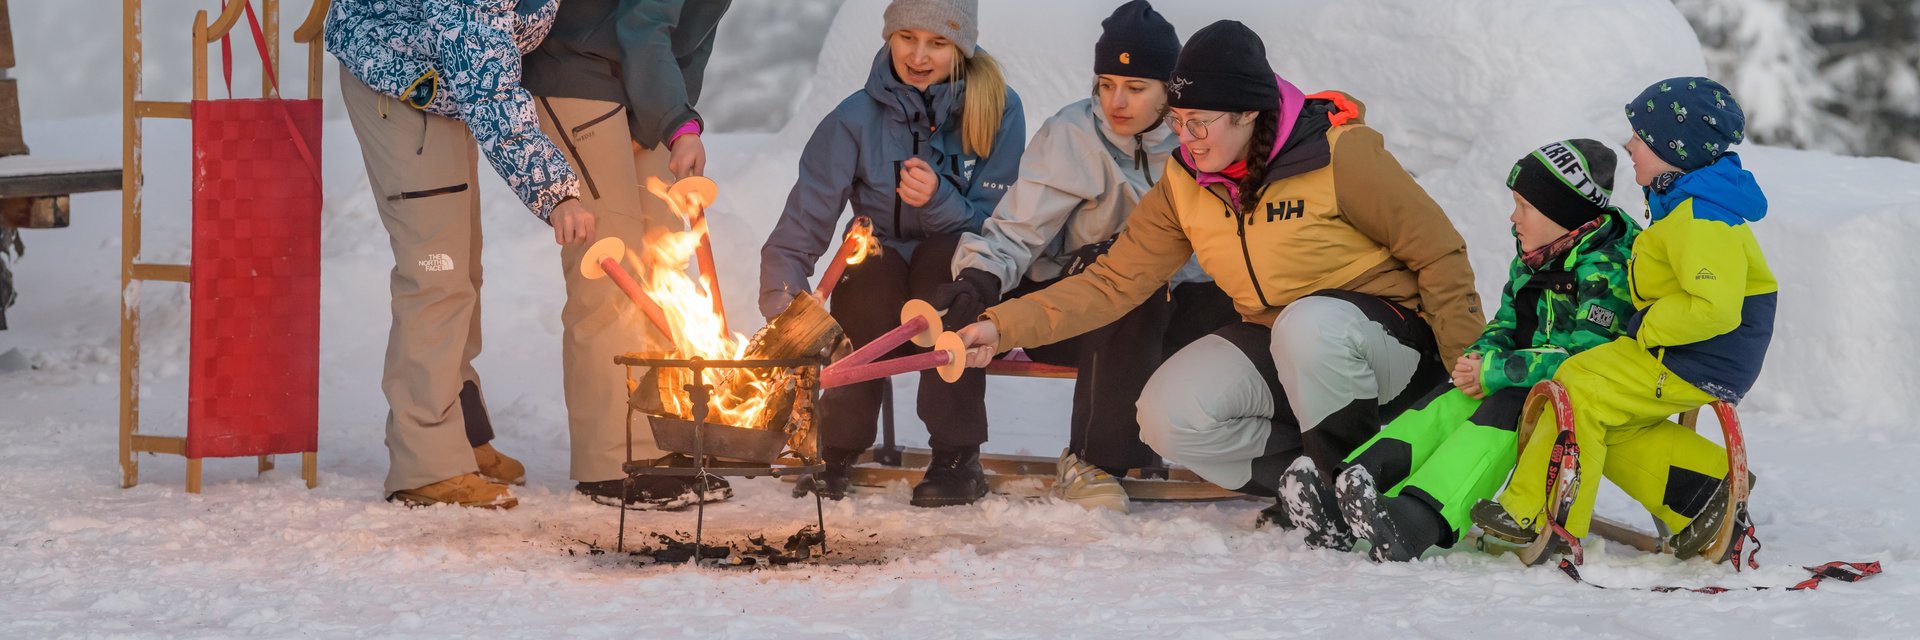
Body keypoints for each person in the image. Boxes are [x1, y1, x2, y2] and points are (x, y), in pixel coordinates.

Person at [956, 21, 1482, 545]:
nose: (1184, 138)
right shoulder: (1186, 181)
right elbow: (1113, 281)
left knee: (1309, 324)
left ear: (1248, 112)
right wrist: (1000, 326)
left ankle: (1355, 479)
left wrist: (1468, 378)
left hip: (1388, 348)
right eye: (1178, 120)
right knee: (1167, 413)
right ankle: (1314, 488)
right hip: (1285, 340)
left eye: (1200, 122)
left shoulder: (1338, 155)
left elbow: (1438, 252)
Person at [927, 0, 1236, 514]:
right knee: (1124, 274)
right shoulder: (1072, 135)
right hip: (1070, 313)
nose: (1116, 101)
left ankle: (1275, 457)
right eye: (1106, 83)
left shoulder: (1196, 142)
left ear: (1169, 90)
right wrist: (980, 277)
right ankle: (1092, 460)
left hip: (1171, 308)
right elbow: (1017, 228)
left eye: (1135, 88)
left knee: (1245, 303)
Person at [1474, 77, 1773, 562]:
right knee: (1607, 411)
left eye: (1640, 137)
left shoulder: (1702, 218)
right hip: (1686, 350)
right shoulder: (1683, 202)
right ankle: (1704, 493)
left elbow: (1714, 307)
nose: (1629, 145)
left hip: (1697, 356)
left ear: (1675, 151)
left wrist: (1646, 326)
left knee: (1578, 388)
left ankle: (1537, 516)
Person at [329, 0, 601, 509]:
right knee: (435, 270)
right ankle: (427, 463)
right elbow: (485, 72)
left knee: (461, 267)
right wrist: (555, 190)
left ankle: (463, 436)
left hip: (441, 84)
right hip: (404, 84)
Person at [758, 0, 1026, 507]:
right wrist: (783, 308)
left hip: (960, 249)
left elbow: (1001, 224)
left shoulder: (998, 109)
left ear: (961, 46)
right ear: (889, 36)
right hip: (881, 247)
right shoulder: (854, 119)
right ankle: (836, 447)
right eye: (907, 37)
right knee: (865, 287)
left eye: (938, 43)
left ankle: (956, 455)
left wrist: (941, 199)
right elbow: (803, 224)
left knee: (946, 291)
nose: (919, 55)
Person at [1334, 139, 1639, 561]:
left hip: (1571, 397)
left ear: (1562, 213)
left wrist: (1497, 371)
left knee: (1502, 410)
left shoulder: (1608, 271)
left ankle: (1418, 517)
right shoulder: (1535, 256)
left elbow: (1582, 361)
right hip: (1523, 379)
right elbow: (1508, 322)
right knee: (1452, 396)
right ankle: (1352, 484)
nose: (1513, 217)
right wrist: (1481, 356)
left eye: (1524, 206)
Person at [522, 0, 734, 510]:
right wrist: (677, 121)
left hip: (640, 85)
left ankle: (659, 443)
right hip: (578, 70)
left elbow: (692, 38)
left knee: (660, 269)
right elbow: (642, 23)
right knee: (610, 276)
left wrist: (666, 117)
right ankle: (610, 459)